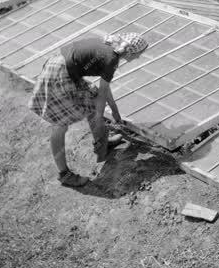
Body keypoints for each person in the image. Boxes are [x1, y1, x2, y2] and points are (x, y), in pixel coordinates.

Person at [28, 32, 148, 188]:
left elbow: (103, 88)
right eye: (138, 54)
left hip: (61, 67)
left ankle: (102, 142)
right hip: (60, 73)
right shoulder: (111, 58)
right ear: (131, 51)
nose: (138, 58)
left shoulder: (109, 49)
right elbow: (103, 91)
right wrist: (100, 117)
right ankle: (65, 175)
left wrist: (114, 108)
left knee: (91, 98)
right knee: (59, 125)